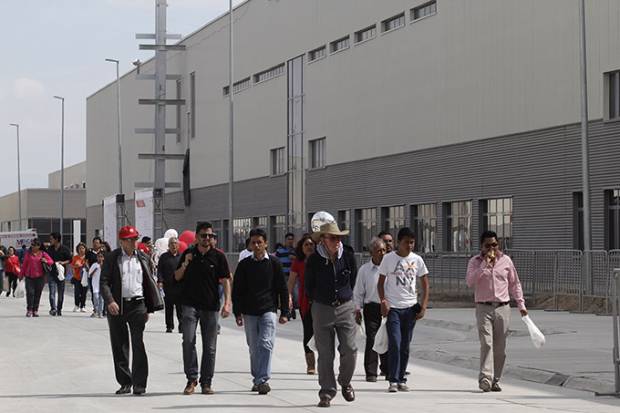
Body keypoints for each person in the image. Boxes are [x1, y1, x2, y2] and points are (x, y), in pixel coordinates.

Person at [100, 225, 164, 396]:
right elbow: (104, 282)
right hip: (118, 306)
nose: (133, 242)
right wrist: (110, 301)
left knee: (138, 344)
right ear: (122, 241)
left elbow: (148, 283)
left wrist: (148, 308)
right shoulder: (113, 258)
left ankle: (139, 384)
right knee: (119, 345)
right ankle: (125, 382)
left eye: (135, 239)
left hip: (138, 305)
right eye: (129, 240)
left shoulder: (142, 257)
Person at [466, 230, 527, 393]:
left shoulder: (506, 261)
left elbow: (515, 284)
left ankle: (495, 380)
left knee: (500, 348)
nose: (492, 248)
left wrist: (521, 305)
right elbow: (470, 281)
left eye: (494, 244)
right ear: (482, 247)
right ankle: (485, 377)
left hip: (502, 307)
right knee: (487, 343)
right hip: (483, 307)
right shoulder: (475, 261)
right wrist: (484, 265)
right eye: (488, 245)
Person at [174, 222, 232, 396]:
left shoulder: (218, 257)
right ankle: (191, 379)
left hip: (211, 306)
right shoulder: (188, 254)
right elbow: (176, 277)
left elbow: (225, 280)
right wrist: (185, 264)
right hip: (190, 304)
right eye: (203, 235)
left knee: (210, 346)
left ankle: (206, 382)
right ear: (197, 237)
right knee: (188, 341)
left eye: (210, 236)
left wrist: (227, 303)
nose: (207, 239)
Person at [305, 221, 358, 408]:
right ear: (323, 240)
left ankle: (345, 381)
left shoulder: (348, 256)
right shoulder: (313, 260)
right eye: (333, 237)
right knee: (325, 354)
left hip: (345, 306)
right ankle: (326, 391)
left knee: (350, 348)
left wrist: (346, 299)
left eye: (339, 237)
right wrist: (318, 301)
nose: (337, 241)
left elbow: (352, 280)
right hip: (322, 308)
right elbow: (308, 286)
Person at [233, 228, 289, 394]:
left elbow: (282, 288)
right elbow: (238, 290)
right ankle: (257, 378)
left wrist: (284, 312)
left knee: (266, 343)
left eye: (259, 242)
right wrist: (237, 312)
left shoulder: (274, 263)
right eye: (253, 243)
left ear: (266, 244)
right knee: (253, 346)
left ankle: (262, 380)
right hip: (250, 311)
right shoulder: (244, 265)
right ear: (250, 244)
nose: (256, 245)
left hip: (268, 309)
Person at [378, 227, 430, 393]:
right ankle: (393, 380)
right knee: (395, 342)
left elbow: (425, 284)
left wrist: (423, 305)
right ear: (398, 242)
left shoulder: (417, 260)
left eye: (412, 242)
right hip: (393, 308)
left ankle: (401, 378)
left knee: (405, 345)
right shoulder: (388, 259)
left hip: (410, 309)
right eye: (406, 242)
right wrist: (383, 301)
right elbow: (380, 283)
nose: (410, 245)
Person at [353, 237, 388, 382]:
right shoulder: (365, 270)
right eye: (379, 250)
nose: (382, 253)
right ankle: (371, 371)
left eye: (384, 250)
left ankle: (388, 369)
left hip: (388, 307)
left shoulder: (390, 268)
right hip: (371, 307)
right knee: (373, 339)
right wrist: (357, 309)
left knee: (388, 338)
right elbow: (358, 291)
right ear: (371, 252)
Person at [287, 234, 316, 374]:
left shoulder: (321, 260)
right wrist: (289, 297)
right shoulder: (298, 263)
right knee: (308, 333)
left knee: (323, 334)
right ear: (301, 248)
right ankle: (311, 364)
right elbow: (291, 282)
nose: (309, 247)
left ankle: (324, 362)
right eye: (306, 245)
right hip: (306, 302)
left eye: (311, 244)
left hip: (321, 302)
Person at [21, 239, 53, 317]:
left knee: (37, 294)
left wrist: (46, 260)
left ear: (39, 246)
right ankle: (29, 310)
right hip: (29, 277)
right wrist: (21, 275)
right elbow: (24, 265)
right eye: (32, 245)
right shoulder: (28, 254)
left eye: (35, 245)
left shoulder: (43, 254)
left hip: (40, 277)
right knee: (30, 293)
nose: (33, 246)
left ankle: (35, 310)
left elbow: (51, 261)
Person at [157, 237, 183, 333]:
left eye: (175, 243)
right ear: (168, 245)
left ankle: (182, 326)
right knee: (169, 308)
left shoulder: (181, 257)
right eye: (171, 243)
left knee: (180, 308)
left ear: (178, 245)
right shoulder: (164, 257)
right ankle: (169, 326)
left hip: (179, 286)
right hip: (168, 286)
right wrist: (160, 281)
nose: (174, 245)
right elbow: (160, 270)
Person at [47, 232, 72, 316]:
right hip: (52, 273)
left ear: (56, 239)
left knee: (60, 293)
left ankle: (59, 309)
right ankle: (53, 309)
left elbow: (70, 260)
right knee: (52, 293)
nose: (50, 241)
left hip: (61, 274)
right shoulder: (50, 249)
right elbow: (47, 258)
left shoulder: (65, 249)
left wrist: (63, 262)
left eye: (51, 239)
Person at [275, 233, 297, 319]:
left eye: (292, 239)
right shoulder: (280, 251)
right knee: (285, 294)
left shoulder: (296, 251)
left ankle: (292, 308)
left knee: (294, 295)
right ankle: (288, 310)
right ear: (285, 240)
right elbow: (276, 262)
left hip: (293, 276)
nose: (290, 241)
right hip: (283, 276)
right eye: (289, 239)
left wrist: (294, 258)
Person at [71, 243, 89, 312]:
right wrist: (77, 266)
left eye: (83, 248)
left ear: (85, 249)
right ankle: (76, 305)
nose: (81, 250)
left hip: (85, 278)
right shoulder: (75, 257)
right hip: (77, 277)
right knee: (77, 292)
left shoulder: (87, 257)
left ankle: (83, 306)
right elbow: (72, 266)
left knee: (84, 292)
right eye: (80, 248)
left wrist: (85, 265)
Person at [89, 251, 105, 318]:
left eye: (101, 257)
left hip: (102, 284)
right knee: (96, 297)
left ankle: (100, 312)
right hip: (95, 284)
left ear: (103, 258)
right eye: (99, 256)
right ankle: (96, 310)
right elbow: (90, 275)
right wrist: (95, 269)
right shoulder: (94, 265)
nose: (100, 258)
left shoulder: (105, 265)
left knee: (101, 299)